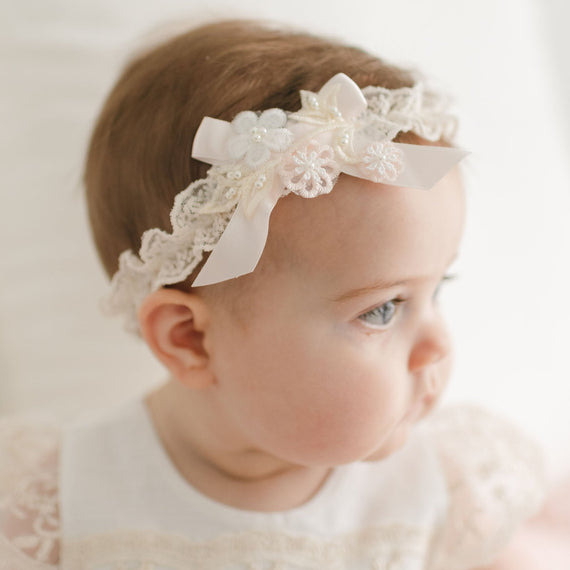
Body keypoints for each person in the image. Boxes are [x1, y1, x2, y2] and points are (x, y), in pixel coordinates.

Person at [0, 18, 560, 569]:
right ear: (190, 339)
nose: (437, 343)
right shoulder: (57, 506)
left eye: (439, 288)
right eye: (383, 309)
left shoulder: (444, 495)